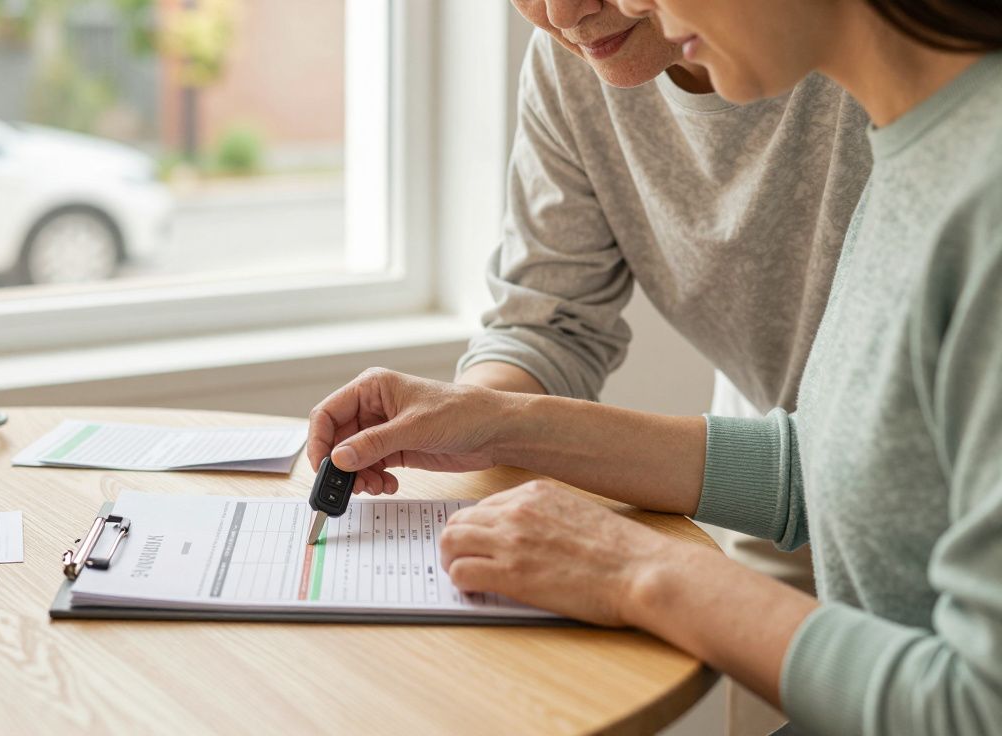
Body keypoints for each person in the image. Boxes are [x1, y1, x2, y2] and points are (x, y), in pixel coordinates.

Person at [308, 0, 1002, 732]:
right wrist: (502, 423)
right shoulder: (917, 144)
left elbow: (978, 705)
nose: (627, 4)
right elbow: (833, 468)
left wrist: (637, 571)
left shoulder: (968, 182)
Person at [456, 11, 869, 730]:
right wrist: (488, 418)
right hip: (778, 490)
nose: (563, 14)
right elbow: (813, 472)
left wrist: (639, 572)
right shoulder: (573, 69)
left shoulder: (932, 119)